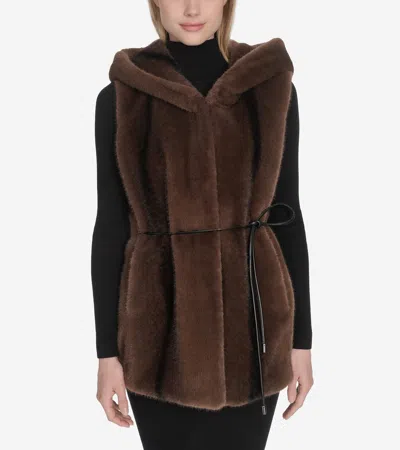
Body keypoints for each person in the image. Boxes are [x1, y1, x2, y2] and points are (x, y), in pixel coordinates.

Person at [91, 0, 314, 448]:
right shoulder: (122, 96)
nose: (192, 8)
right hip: (156, 335)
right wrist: (106, 354)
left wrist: (301, 342)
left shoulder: (270, 87)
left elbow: (287, 214)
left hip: (254, 332)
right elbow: (111, 226)